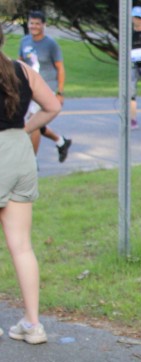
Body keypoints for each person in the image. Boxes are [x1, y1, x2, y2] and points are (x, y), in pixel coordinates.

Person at [0, 29, 60, 344]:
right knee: (22, 245)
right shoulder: (21, 69)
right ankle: (33, 324)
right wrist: (25, 128)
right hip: (20, 153)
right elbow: (52, 106)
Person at [19, 10, 72, 162]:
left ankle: (32, 161)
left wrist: (60, 92)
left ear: (43, 25)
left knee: (34, 123)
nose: (34, 26)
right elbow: (20, 63)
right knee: (35, 123)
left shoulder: (50, 44)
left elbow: (60, 68)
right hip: (28, 88)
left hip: (46, 88)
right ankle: (61, 141)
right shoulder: (24, 41)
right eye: (31, 23)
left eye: (37, 23)